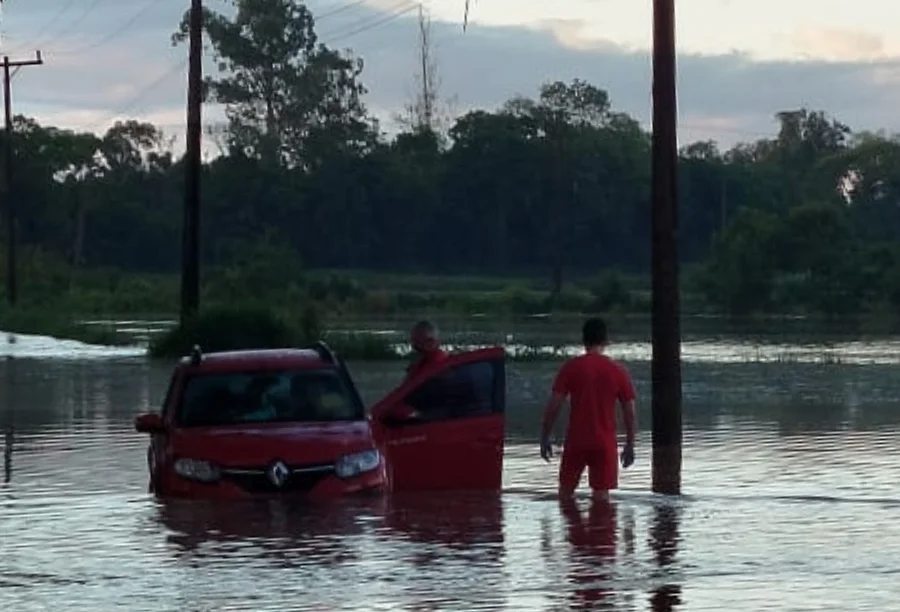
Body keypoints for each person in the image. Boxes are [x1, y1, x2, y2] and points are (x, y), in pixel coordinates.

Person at [539, 317, 636, 499]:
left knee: (565, 495)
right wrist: (630, 444)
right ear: (606, 341)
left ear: (583, 340)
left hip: (577, 441)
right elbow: (629, 413)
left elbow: (554, 406)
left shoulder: (571, 368)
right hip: (604, 443)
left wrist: (545, 437)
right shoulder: (618, 371)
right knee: (602, 500)